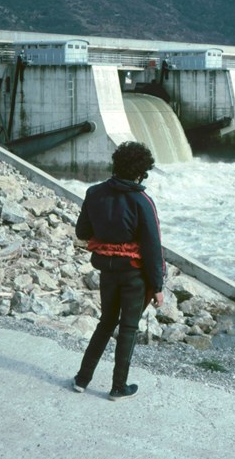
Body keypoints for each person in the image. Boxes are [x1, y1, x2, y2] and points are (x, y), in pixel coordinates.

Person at [72, 141, 165, 401]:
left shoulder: (94, 193)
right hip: (134, 275)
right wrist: (157, 287)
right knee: (128, 327)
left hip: (107, 272)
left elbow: (82, 232)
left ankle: (82, 379)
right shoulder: (142, 200)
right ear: (141, 171)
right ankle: (118, 387)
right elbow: (152, 247)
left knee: (106, 322)